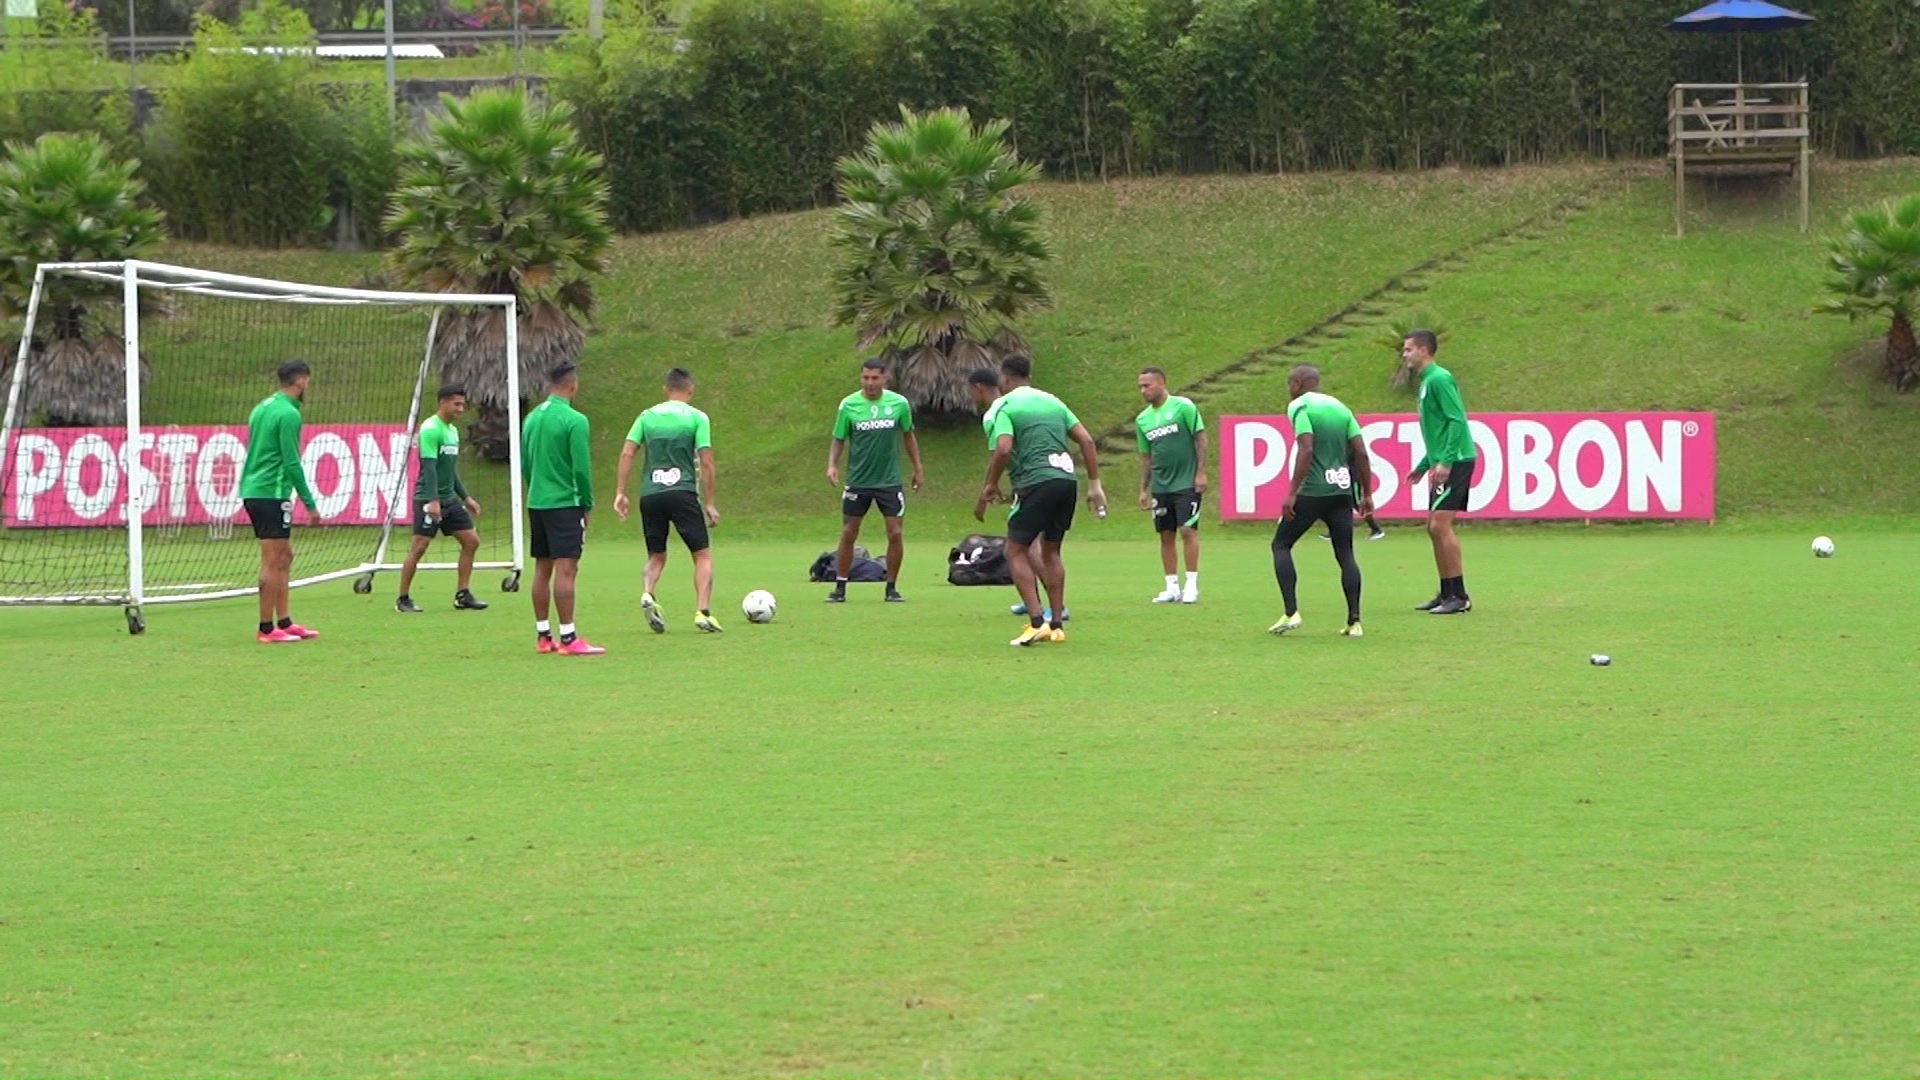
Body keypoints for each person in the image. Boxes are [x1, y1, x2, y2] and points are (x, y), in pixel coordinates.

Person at [967, 355, 1107, 647]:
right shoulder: (1054, 402)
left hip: (1035, 482)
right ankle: (1056, 625)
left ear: (1004, 380)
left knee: (1015, 549)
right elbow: (1086, 440)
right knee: (1051, 552)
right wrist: (1095, 486)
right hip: (1067, 481)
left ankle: (1035, 622)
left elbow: (1003, 448)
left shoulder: (1001, 408)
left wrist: (990, 485)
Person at [615, 367, 722, 634]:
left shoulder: (647, 416)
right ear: (691, 390)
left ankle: (648, 593)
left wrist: (620, 492)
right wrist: (709, 503)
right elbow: (707, 461)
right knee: (702, 555)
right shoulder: (697, 417)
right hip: (682, 492)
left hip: (651, 495)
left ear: (666, 390)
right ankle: (703, 611)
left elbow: (627, 453)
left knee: (656, 555)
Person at [1269, 365, 1373, 639]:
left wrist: (1292, 492)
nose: (1288, 389)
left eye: (1289, 383)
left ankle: (1291, 612)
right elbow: (1361, 453)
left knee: (1281, 544)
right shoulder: (1341, 408)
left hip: (1312, 491)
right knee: (1345, 554)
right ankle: (1355, 621)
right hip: (1340, 491)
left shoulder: (1299, 406)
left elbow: (1307, 447)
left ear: (1298, 383)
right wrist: (1367, 494)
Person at [825, 358, 923, 603]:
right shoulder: (849, 405)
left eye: (875, 378)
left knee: (895, 533)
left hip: (889, 482)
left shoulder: (899, 404)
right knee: (849, 532)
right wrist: (832, 465)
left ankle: (891, 587)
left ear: (884, 378)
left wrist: (918, 468)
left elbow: (908, 435)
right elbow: (839, 438)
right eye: (865, 378)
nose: (870, 383)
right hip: (858, 481)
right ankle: (840, 587)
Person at [521, 361, 603, 655]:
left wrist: (537, 488)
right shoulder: (575, 420)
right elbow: (581, 468)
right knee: (567, 569)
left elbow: (526, 464)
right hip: (565, 503)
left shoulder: (531, 419)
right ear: (573, 385)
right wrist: (587, 502)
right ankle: (569, 638)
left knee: (542, 568)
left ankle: (544, 636)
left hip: (537, 502)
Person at [240, 360, 321, 644]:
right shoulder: (288, 414)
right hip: (270, 493)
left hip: (256, 490)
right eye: (307, 382)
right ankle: (265, 628)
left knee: (285, 556)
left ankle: (285, 622)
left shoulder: (261, 408)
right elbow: (291, 461)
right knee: (273, 560)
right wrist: (310, 503)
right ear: (300, 381)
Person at [395, 386, 488, 614]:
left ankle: (463, 595)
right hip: (428, 498)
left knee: (471, 541)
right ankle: (402, 598)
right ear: (443, 402)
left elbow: (450, 470)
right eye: (456, 404)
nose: (460, 409)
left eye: (462, 404)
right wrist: (433, 500)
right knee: (420, 546)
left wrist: (465, 498)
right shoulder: (430, 429)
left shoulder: (452, 431)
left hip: (449, 500)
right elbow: (429, 467)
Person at [1402, 329, 1476, 614]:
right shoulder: (1426, 382)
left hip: (1456, 460)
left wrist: (1445, 461)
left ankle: (1459, 596)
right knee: (1432, 527)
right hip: (1444, 460)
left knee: (1439, 525)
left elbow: (1456, 420)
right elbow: (1439, 430)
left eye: (1408, 349)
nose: (1405, 354)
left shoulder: (1440, 379)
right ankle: (1446, 593)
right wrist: (1424, 465)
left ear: (1424, 350)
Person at [1134, 367, 1206, 604]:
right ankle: (1171, 586)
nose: (1143, 390)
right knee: (1165, 534)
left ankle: (1192, 584)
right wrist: (1144, 488)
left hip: (1186, 482)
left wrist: (1201, 472)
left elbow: (1200, 438)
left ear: (1162, 383)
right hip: (1161, 486)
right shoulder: (1143, 419)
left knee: (1187, 530)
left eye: (1148, 385)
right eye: (1140, 387)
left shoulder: (1183, 406)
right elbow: (1146, 457)